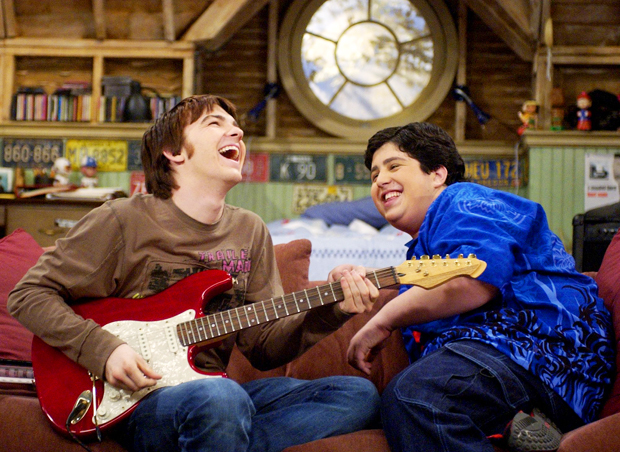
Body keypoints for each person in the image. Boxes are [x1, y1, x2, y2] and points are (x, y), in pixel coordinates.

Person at [8, 94, 380, 452]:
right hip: (138, 400)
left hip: (214, 392)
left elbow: (264, 348)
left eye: (235, 126)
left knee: (357, 396)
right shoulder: (123, 219)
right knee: (222, 399)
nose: (237, 132)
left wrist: (333, 308)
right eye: (215, 124)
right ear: (174, 152)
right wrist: (104, 351)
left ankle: (222, 438)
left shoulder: (249, 230)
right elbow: (29, 295)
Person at [330, 122, 614, 452]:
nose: (379, 180)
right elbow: (436, 285)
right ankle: (509, 423)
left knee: (416, 395)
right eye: (374, 174)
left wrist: (383, 320)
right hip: (509, 369)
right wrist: (365, 277)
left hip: (545, 358)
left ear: (437, 174)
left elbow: (475, 280)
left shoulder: (464, 200)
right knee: (414, 396)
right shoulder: (424, 250)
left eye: (394, 166)